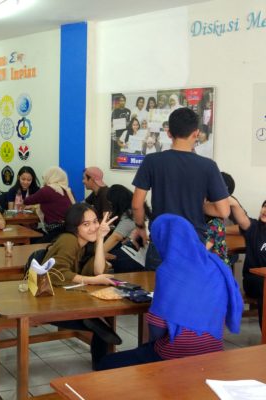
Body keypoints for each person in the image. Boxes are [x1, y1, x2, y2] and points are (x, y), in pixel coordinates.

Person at [96, 214, 242, 370]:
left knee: (106, 363)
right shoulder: (216, 264)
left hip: (173, 355)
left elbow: (157, 327)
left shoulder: (169, 271)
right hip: (213, 350)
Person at [132, 107, 229, 245]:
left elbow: (136, 205)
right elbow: (224, 211)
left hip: (161, 240)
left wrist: (140, 227)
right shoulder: (208, 166)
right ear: (196, 133)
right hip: (193, 242)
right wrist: (200, 206)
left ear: (169, 133)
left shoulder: (151, 161)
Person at [41, 203, 119, 369]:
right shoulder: (69, 240)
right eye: (86, 224)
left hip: (67, 296)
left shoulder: (87, 243)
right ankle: (101, 363)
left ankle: (101, 362)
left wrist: (100, 239)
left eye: (95, 221)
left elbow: (98, 271)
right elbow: (57, 273)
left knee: (99, 324)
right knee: (100, 326)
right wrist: (92, 280)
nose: (93, 227)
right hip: (46, 302)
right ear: (74, 227)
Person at [229, 196, 266, 331]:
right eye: (264, 206)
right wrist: (231, 201)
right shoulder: (253, 227)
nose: (265, 210)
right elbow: (240, 214)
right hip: (253, 281)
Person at [103, 185, 150, 272]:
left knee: (103, 256)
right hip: (142, 252)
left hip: (138, 258)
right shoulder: (139, 207)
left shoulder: (130, 214)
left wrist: (98, 254)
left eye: (111, 204)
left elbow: (116, 237)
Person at [23, 166, 75, 242]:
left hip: (56, 231)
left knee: (31, 239)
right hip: (70, 230)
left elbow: (27, 201)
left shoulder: (47, 190)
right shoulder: (68, 190)